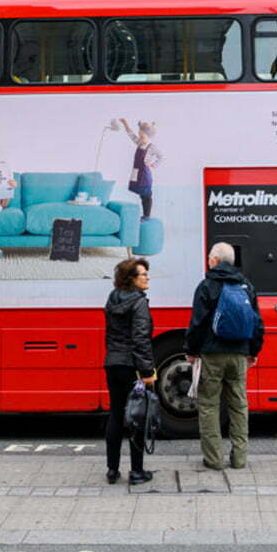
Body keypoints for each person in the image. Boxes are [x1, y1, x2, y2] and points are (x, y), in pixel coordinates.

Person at [184, 242, 264, 471]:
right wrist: (253, 351)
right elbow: (257, 323)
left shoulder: (207, 286)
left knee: (209, 406)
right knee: (239, 406)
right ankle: (239, 459)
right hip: (239, 354)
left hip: (212, 354)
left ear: (216, 260)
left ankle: (214, 459)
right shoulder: (246, 285)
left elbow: (197, 323)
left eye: (210, 257)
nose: (208, 260)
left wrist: (191, 350)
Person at [103, 257, 157, 486]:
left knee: (115, 415)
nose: (147, 277)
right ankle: (136, 472)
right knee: (137, 416)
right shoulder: (139, 303)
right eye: (143, 274)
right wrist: (147, 372)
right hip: (132, 367)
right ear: (131, 279)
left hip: (112, 364)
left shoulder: (112, 299)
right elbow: (141, 340)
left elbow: (110, 334)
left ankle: (112, 470)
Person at [119, 119, 163, 220]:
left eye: (142, 136)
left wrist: (153, 165)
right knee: (142, 195)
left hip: (145, 174)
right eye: (139, 135)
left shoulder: (152, 147)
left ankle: (146, 215)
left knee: (147, 195)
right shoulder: (139, 143)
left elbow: (161, 157)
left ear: (149, 136)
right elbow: (131, 135)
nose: (140, 138)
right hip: (137, 172)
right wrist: (125, 124)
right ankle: (144, 215)